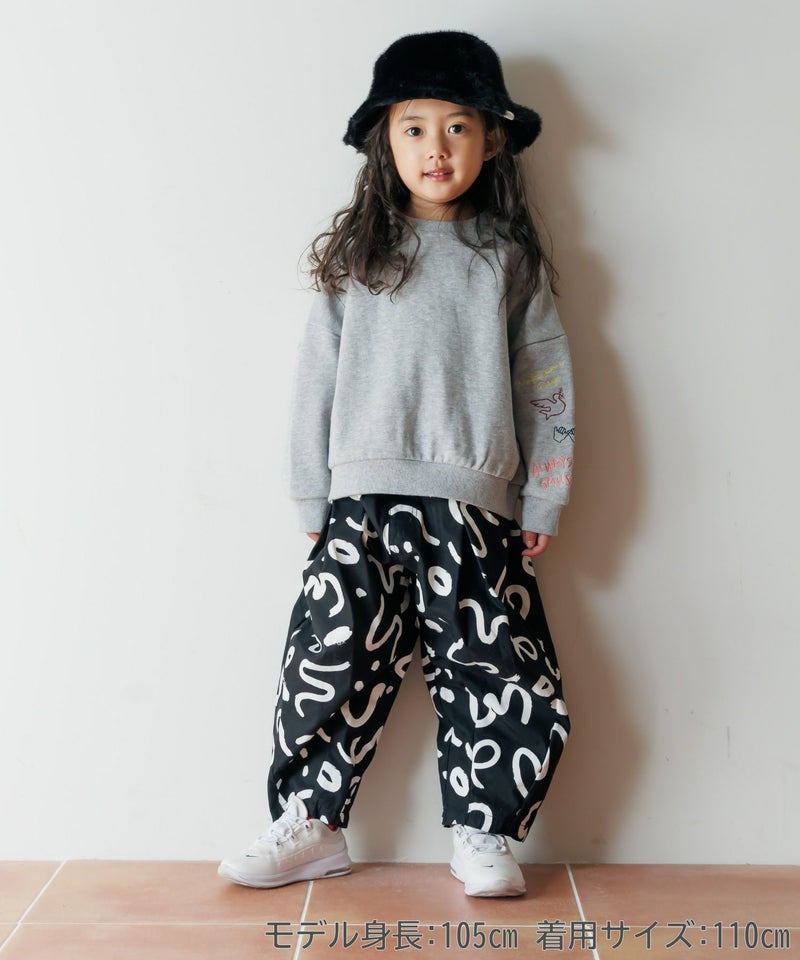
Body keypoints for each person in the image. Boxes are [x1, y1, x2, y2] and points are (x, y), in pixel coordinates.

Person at [218, 30, 574, 899]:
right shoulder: (358, 259)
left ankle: (484, 828)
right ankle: (311, 821)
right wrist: (310, 492)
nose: (436, 147)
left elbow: (546, 382)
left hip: (477, 504)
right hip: (361, 502)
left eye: (457, 127)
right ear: (386, 140)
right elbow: (317, 381)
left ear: (492, 140)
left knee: (496, 666)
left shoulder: (507, 260)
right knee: (330, 658)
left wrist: (545, 497)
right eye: (414, 127)